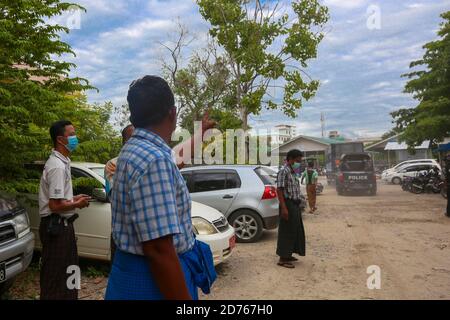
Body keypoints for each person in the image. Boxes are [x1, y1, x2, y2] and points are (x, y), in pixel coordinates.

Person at [105, 75, 216, 300]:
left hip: (133, 273)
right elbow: (159, 251)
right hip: (151, 282)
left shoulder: (134, 150)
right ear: (172, 113)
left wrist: (200, 133)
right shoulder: (154, 160)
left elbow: (176, 157)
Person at [38, 120, 91, 300]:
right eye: (72, 134)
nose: (75, 138)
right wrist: (77, 204)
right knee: (55, 277)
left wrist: (73, 199)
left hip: (64, 226)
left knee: (71, 271)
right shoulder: (56, 167)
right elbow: (54, 205)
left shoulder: (64, 162)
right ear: (60, 139)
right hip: (56, 228)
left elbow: (59, 201)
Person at [276, 149, 306, 269]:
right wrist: (284, 208)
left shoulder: (292, 171)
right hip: (287, 205)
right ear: (291, 159)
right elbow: (280, 190)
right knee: (287, 231)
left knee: (295, 230)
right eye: (298, 161)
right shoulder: (284, 171)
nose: (299, 163)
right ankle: (283, 258)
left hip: (294, 205)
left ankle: (288, 255)